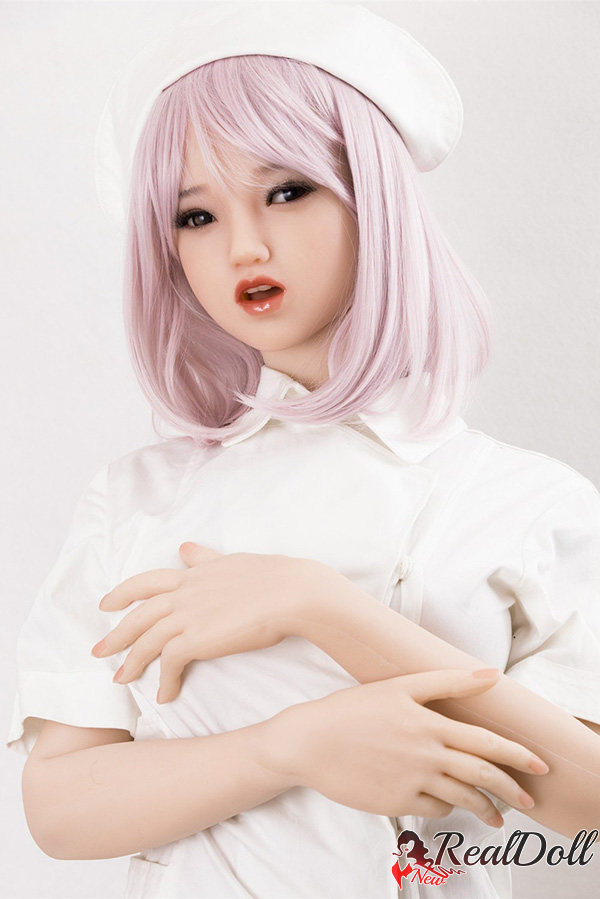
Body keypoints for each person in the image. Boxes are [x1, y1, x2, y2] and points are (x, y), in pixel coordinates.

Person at [6, 4, 600, 898]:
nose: (244, 246)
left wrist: (316, 604)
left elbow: (588, 799)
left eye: (287, 191)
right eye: (195, 215)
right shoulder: (139, 497)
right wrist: (289, 747)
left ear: (376, 197)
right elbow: (58, 807)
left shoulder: (528, 501)